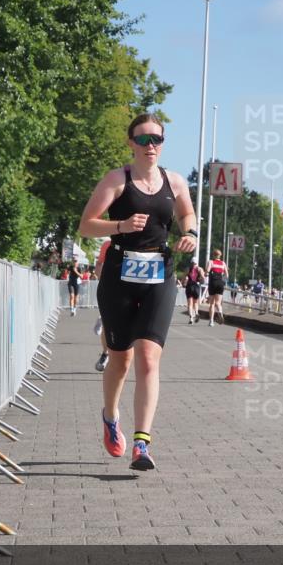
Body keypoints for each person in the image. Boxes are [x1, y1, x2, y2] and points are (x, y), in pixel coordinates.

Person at [78, 113, 197, 471]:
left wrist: (190, 233)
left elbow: (187, 214)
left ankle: (142, 444)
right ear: (130, 143)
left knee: (148, 358)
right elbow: (85, 226)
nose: (150, 146)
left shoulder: (174, 181)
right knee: (121, 358)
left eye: (157, 139)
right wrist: (121, 225)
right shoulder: (117, 179)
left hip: (160, 273)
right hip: (119, 274)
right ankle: (110, 417)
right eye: (143, 140)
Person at [93, 240, 111, 372]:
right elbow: (99, 264)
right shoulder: (108, 244)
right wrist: (103, 281)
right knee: (108, 325)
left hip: (137, 291)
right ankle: (105, 354)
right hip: (112, 290)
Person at [205, 249, 228, 326]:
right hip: (220, 283)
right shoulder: (223, 263)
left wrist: (206, 274)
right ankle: (220, 313)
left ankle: (211, 321)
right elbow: (226, 275)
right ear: (220, 255)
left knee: (212, 303)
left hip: (213, 283)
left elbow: (207, 271)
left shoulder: (211, 262)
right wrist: (223, 281)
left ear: (213, 255)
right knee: (218, 302)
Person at [185, 259, 204, 324]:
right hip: (196, 286)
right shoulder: (200, 269)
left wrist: (182, 283)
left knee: (190, 303)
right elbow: (203, 278)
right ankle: (196, 313)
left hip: (189, 286)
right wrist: (201, 280)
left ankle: (191, 318)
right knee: (195, 303)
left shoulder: (188, 269)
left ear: (191, 262)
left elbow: (183, 277)